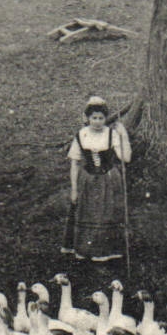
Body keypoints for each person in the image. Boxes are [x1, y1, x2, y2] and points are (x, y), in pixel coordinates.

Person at [66, 96, 132, 262]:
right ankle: (86, 250)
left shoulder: (111, 134)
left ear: (105, 118)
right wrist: (74, 189)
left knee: (106, 213)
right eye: (93, 118)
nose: (97, 122)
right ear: (87, 118)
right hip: (87, 181)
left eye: (101, 118)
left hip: (108, 179)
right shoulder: (81, 135)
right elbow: (74, 163)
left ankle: (107, 251)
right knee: (87, 213)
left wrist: (123, 135)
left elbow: (126, 158)